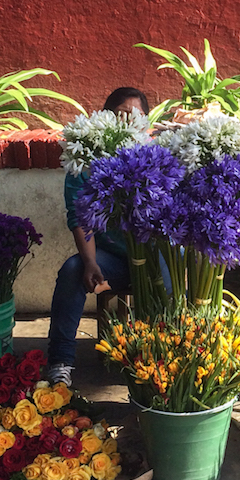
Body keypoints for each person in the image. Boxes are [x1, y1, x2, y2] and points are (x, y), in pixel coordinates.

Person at [46, 87, 151, 386]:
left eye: (137, 116)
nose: (129, 123)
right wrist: (90, 261)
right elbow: (79, 217)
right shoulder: (85, 160)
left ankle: (160, 360)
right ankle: (60, 363)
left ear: (147, 123)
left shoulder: (156, 156)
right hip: (115, 259)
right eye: (121, 115)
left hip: (157, 259)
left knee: (166, 292)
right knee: (73, 269)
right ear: (105, 119)